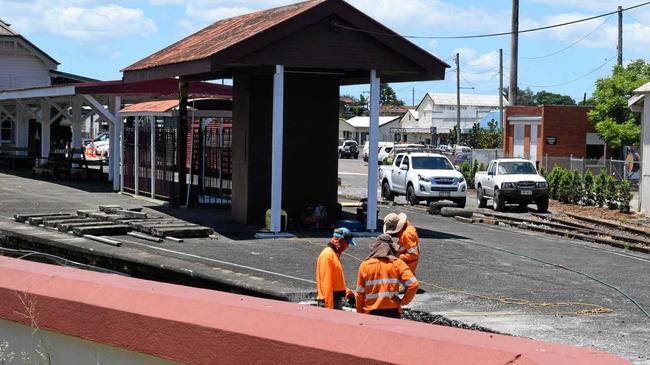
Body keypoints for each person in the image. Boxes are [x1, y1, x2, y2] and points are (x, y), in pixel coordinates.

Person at [355, 234, 418, 318]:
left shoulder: (365, 265)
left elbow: (360, 293)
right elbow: (413, 284)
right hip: (392, 311)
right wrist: (403, 301)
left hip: (370, 311)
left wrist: (359, 312)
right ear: (391, 248)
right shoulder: (397, 263)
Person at [316, 227, 355, 309]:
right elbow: (326, 284)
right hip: (329, 302)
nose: (347, 246)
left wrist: (348, 293)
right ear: (340, 240)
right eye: (347, 242)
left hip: (334, 301)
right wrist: (329, 309)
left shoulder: (334, 255)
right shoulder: (328, 256)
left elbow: (336, 281)